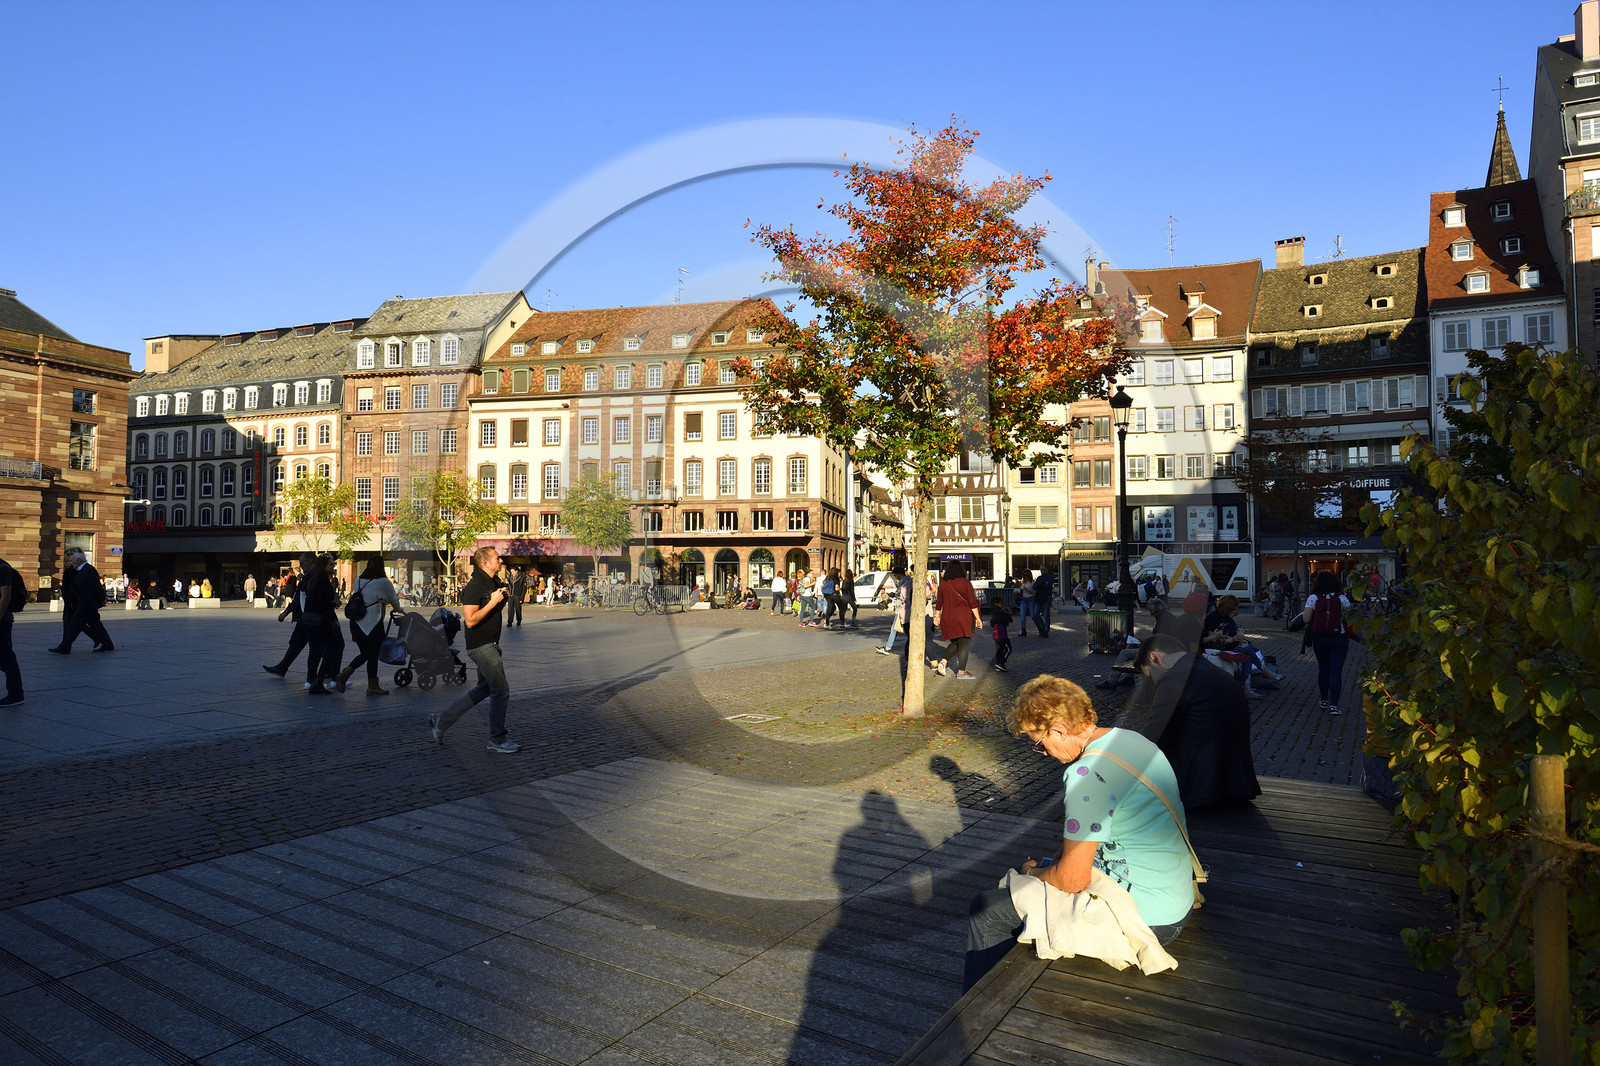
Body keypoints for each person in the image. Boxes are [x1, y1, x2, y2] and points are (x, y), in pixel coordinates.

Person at [963, 674, 1192, 990]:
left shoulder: (1086, 775)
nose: (1043, 754)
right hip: (1173, 895)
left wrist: (1035, 872)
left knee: (986, 910)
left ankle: (978, 1011)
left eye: (1040, 745)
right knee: (1035, 874)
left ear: (1057, 730)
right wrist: (1045, 869)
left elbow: (1073, 879)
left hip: (1148, 917)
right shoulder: (1131, 740)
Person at [1138, 633, 1261, 809]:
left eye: (1150, 675)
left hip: (1199, 792)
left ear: (1155, 657)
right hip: (1236, 786)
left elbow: (1153, 739)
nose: (1152, 682)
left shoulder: (1173, 678)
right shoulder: (1216, 672)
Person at [429, 547, 518, 752]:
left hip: (491, 644)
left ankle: (441, 721)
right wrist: (494, 601)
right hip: (481, 645)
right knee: (501, 690)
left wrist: (500, 598)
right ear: (485, 564)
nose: (501, 560)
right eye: (497, 558)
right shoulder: (474, 586)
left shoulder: (492, 583)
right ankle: (497, 739)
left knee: (484, 689)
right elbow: (470, 621)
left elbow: (491, 611)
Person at [336, 555, 401, 695]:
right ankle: (372, 686)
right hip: (373, 622)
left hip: (357, 622)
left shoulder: (358, 580)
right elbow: (394, 600)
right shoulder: (384, 582)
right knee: (372, 655)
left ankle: (345, 674)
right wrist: (400, 611)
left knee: (365, 653)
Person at [1305, 571, 1353, 715]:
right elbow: (1350, 618)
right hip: (1339, 637)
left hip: (1320, 638)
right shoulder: (1342, 598)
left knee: (1323, 668)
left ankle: (1324, 699)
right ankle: (1334, 705)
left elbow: (1306, 619)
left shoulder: (1313, 598)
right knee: (1336, 671)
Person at [50, 548, 113, 654]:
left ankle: (65, 646)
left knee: (75, 624)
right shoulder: (81, 571)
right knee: (95, 624)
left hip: (86, 604)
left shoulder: (89, 570)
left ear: (78, 561)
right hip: (83, 604)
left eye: (72, 561)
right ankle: (107, 644)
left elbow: (96, 588)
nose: (70, 563)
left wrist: (99, 601)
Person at [932, 562, 981, 679]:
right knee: (964, 644)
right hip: (963, 617)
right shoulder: (966, 583)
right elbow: (972, 602)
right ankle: (961, 672)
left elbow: (939, 603)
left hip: (948, 618)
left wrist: (937, 616)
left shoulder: (943, 584)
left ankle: (943, 662)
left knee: (955, 642)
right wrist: (978, 618)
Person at [0, 556, 24, 705]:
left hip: (2, 619)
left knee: (5, 657)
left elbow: (5, 596)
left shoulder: (2, 568)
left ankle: (16, 694)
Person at [876, 565, 911, 655]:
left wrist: (893, 595)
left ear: (900, 574)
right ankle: (888, 646)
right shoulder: (909, 580)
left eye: (895, 575)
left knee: (895, 628)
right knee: (900, 628)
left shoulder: (903, 581)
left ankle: (888, 647)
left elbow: (901, 595)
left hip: (900, 607)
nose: (895, 578)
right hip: (906, 608)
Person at [990, 601, 1013, 672]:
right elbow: (1010, 618)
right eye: (1000, 603)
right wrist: (1007, 609)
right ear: (996, 603)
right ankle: (1001, 663)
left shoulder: (993, 612)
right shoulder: (1002, 613)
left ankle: (999, 664)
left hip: (995, 633)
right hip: (1002, 633)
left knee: (999, 649)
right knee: (1008, 648)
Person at [1033, 569, 1056, 636]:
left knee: (1046, 615)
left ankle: (1046, 630)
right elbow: (1035, 587)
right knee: (1035, 614)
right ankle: (1043, 627)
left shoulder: (1050, 577)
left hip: (1047, 597)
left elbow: (1045, 586)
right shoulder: (1039, 577)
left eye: (1043, 569)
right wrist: (1042, 584)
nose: (1041, 570)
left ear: (1047, 569)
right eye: (1041, 569)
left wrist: (1040, 584)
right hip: (1039, 597)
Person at [1016, 573, 1037, 638]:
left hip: (1030, 598)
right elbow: (1021, 590)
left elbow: (1034, 592)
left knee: (1032, 615)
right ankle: (1023, 630)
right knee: (1022, 615)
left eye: (1026, 575)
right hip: (1024, 599)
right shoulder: (1023, 583)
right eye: (1024, 575)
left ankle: (1040, 627)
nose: (1025, 576)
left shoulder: (1032, 582)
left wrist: (1027, 590)